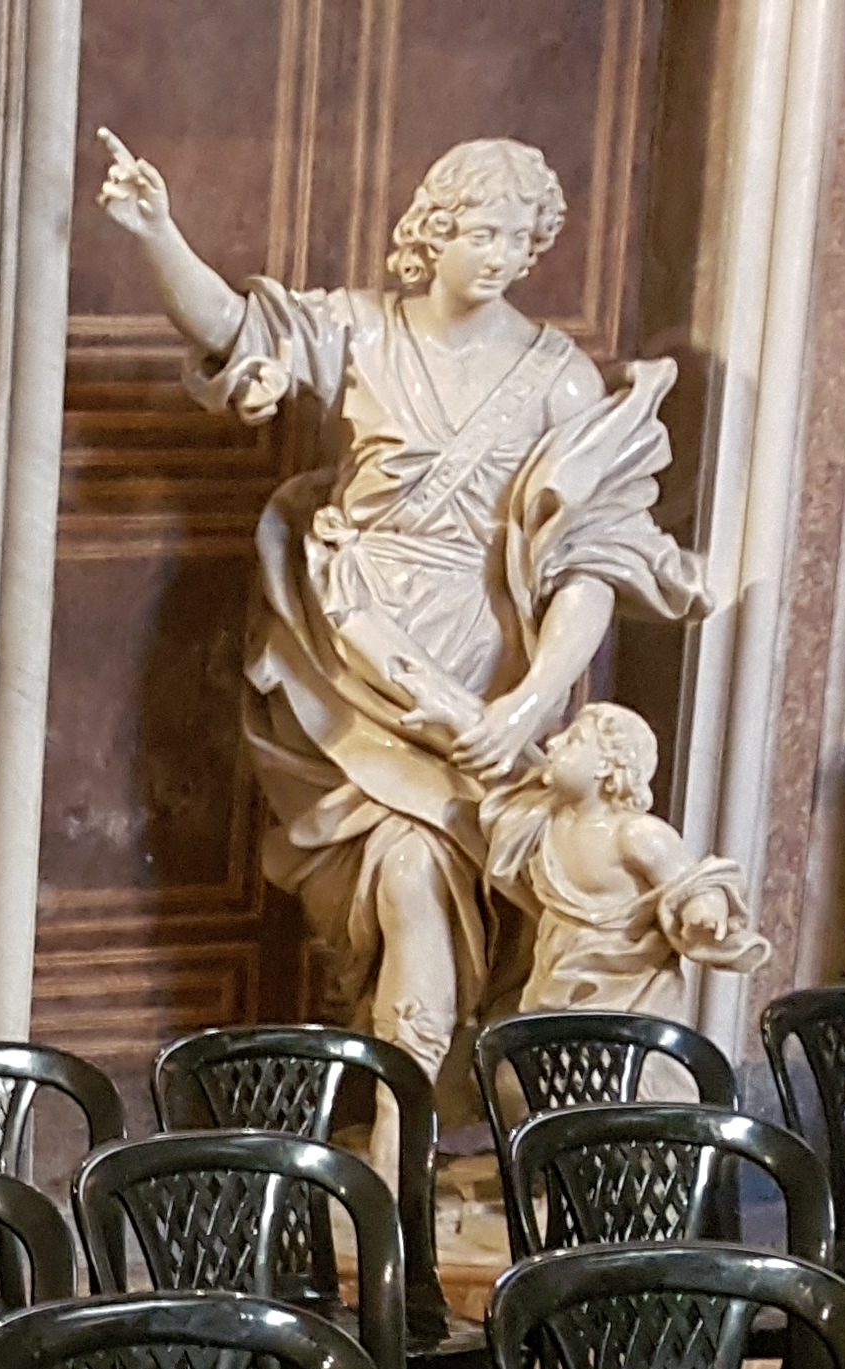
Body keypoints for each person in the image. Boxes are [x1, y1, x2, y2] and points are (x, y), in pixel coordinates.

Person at [94, 129, 706, 1104]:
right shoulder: (366, 333)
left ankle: (417, 1134)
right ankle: (396, 1145)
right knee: (402, 875)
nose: (500, 255)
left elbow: (592, 565)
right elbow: (235, 327)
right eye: (480, 231)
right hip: (351, 658)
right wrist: (158, 231)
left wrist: (527, 702)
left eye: (519, 237)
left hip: (488, 678)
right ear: (433, 232)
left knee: (461, 897)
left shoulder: (559, 381)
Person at [483, 702, 773, 1016]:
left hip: (629, 1001)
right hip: (554, 988)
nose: (553, 743)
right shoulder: (540, 823)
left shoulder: (635, 833)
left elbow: (695, 883)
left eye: (574, 739)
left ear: (607, 765)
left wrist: (702, 910)